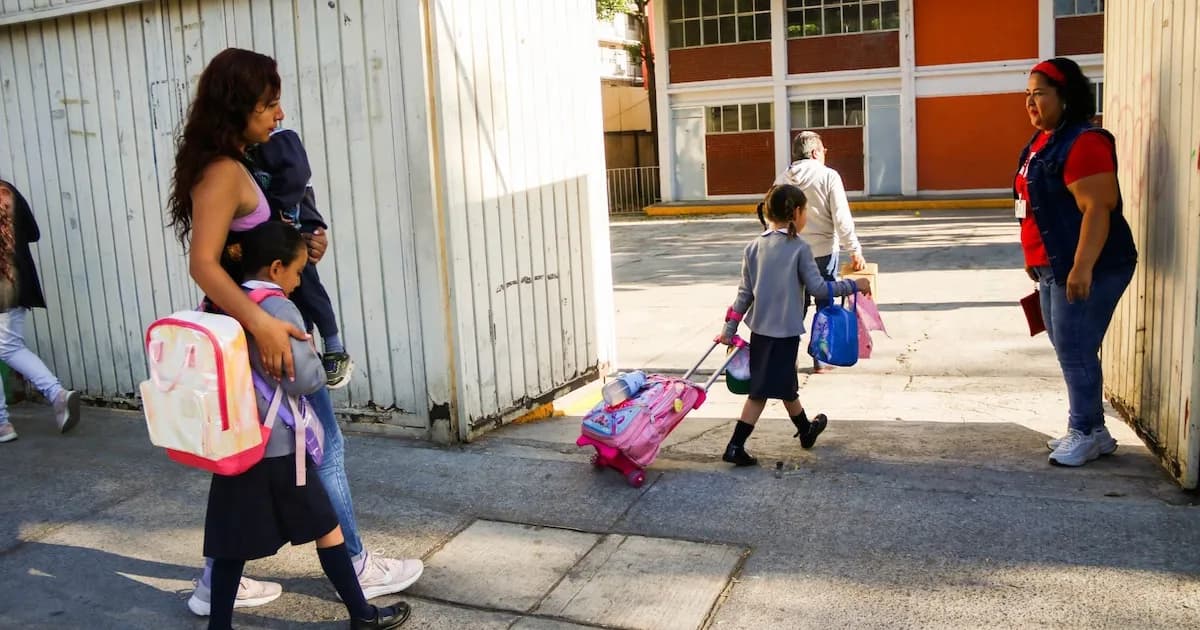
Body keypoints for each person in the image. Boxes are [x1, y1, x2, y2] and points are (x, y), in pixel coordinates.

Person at [165, 47, 421, 617]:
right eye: (268, 105)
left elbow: (252, 244)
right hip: (258, 333)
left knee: (250, 461)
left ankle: (217, 583)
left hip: (256, 329)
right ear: (238, 109)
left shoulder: (241, 162)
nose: (278, 115)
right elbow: (204, 263)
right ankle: (352, 563)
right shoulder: (223, 172)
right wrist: (262, 325)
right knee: (318, 446)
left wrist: (302, 242)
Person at [203, 222, 408, 630]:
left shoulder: (222, 301)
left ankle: (219, 626)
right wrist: (317, 360)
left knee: (230, 542)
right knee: (327, 526)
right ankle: (362, 615)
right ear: (276, 268)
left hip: (236, 436)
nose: (298, 282)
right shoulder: (277, 307)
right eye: (297, 272)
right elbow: (303, 379)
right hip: (278, 443)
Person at [1016, 57, 1138, 467]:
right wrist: (1033, 259)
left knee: (1076, 348)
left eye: (1040, 94)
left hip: (1089, 265)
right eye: (1027, 95)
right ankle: (1095, 430)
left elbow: (1098, 208)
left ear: (1065, 97)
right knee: (1069, 347)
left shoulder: (1085, 142)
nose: (1031, 103)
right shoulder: (1040, 143)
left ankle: (1084, 431)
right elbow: (1031, 208)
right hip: (1052, 265)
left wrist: (1082, 267)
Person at [717, 185, 871, 466]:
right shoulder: (799, 248)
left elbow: (743, 295)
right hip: (786, 333)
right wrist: (853, 284)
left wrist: (729, 330)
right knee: (764, 391)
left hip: (761, 331)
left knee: (781, 386)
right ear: (796, 213)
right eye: (806, 212)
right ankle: (736, 445)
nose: (806, 219)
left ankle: (804, 431)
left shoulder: (754, 247)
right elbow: (819, 288)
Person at [248, 130, 354, 389]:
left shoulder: (279, 141)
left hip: (295, 228)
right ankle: (313, 349)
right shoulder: (234, 157)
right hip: (274, 241)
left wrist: (279, 208)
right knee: (296, 297)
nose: (278, 113)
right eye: (271, 105)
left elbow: (297, 177)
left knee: (306, 285)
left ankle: (333, 346)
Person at [775, 130, 868, 373]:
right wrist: (854, 249)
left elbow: (772, 218)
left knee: (795, 307)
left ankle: (788, 359)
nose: (825, 155)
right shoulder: (828, 176)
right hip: (824, 252)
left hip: (790, 253)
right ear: (816, 152)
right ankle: (822, 359)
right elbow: (841, 217)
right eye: (823, 151)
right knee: (825, 304)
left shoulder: (781, 179)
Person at [0, 179, 81, 443]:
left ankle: (55, 394)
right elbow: (33, 233)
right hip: (19, 282)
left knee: (9, 348)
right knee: (8, 346)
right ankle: (3, 424)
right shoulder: (6, 189)